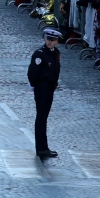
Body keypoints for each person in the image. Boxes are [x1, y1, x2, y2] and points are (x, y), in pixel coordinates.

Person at [28, 28, 61, 159]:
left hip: (50, 88)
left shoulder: (55, 53)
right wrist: (36, 85)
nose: (50, 42)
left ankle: (44, 147)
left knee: (44, 117)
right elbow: (32, 73)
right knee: (41, 118)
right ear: (44, 39)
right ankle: (41, 148)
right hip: (42, 88)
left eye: (52, 40)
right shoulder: (39, 54)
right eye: (48, 39)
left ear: (57, 41)